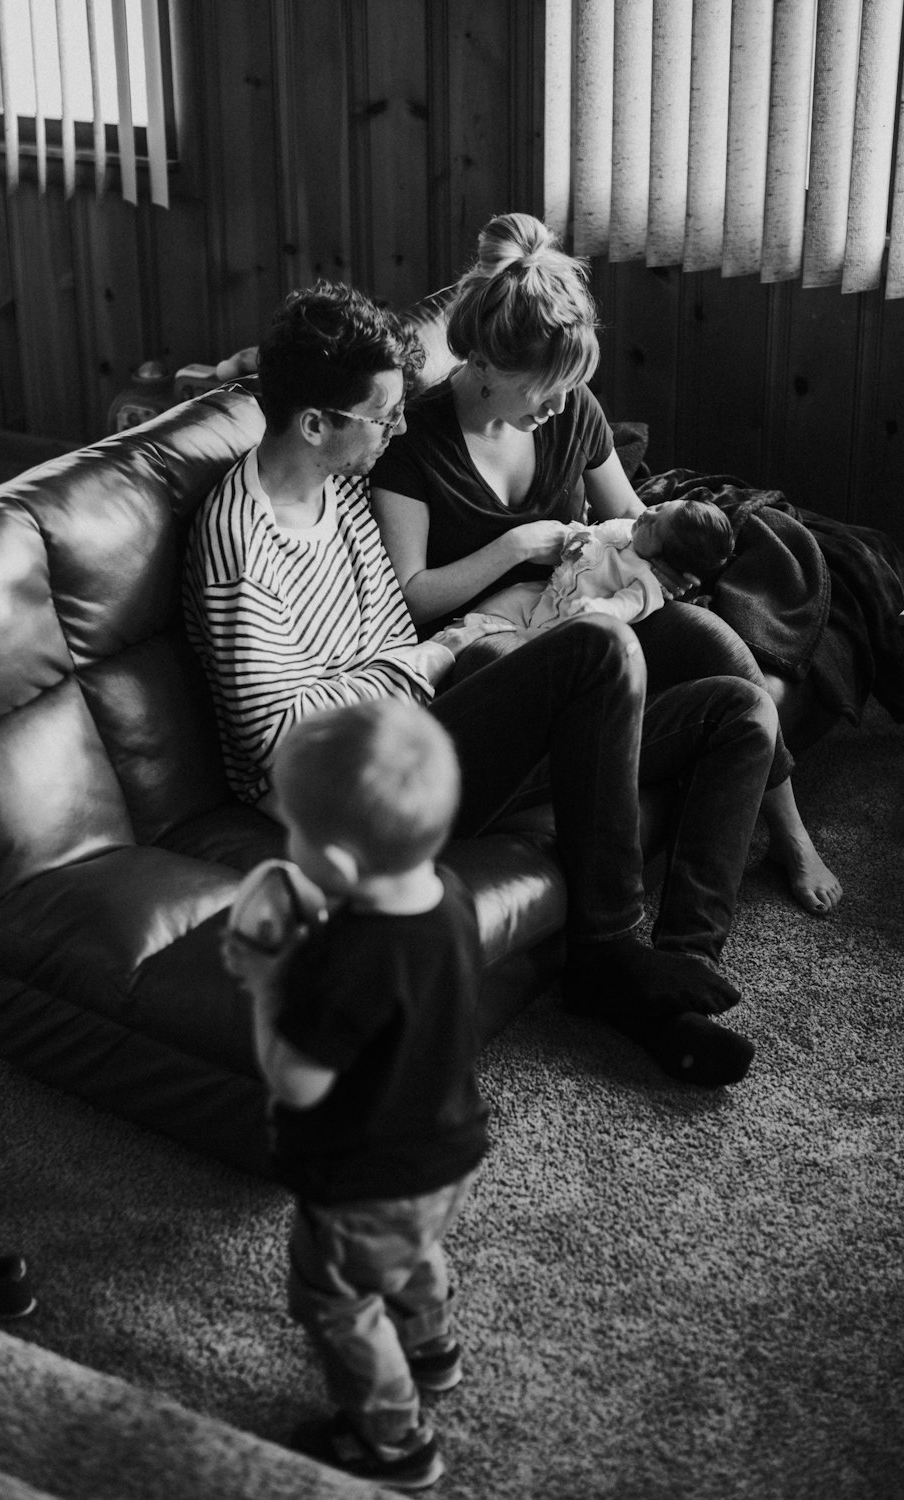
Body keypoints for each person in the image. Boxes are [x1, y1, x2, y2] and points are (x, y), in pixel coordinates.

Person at [186, 276, 779, 1098]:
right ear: (317, 423)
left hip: (424, 736)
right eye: (384, 415)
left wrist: (413, 663)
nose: (398, 427)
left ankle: (676, 979)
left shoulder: (341, 486)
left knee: (739, 710)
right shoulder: (239, 548)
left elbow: (392, 641)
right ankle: (606, 956)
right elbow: (275, 748)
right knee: (597, 651)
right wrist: (420, 664)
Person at [370, 211, 842, 919]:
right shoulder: (415, 445)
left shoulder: (571, 411)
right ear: (486, 367)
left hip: (590, 599)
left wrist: (659, 558)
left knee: (710, 639)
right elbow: (412, 597)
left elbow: (625, 516)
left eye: (571, 387)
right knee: (501, 655)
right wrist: (514, 547)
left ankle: (789, 830)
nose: (561, 406)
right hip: (501, 642)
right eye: (547, 388)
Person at [222, 699, 486, 1491]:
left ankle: (395, 1439)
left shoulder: (339, 962)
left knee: (334, 1301)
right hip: (448, 1149)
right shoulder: (449, 896)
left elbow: (297, 1082)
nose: (286, 843)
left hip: (360, 1176)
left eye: (291, 830)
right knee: (410, 1250)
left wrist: (270, 985)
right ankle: (432, 1344)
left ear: (334, 862)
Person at [465, 498, 734, 637]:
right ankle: (450, 640)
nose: (646, 514)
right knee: (490, 610)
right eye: (658, 507)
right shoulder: (625, 532)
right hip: (547, 594)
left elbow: (624, 606)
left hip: (563, 625)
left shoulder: (646, 583)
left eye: (654, 527)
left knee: (503, 641)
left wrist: (597, 611)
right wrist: (569, 539)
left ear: (665, 561)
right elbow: (592, 536)